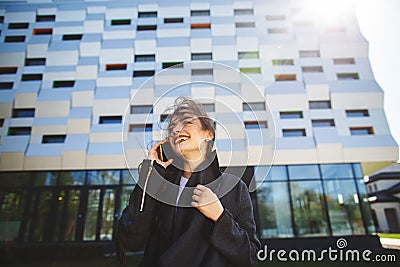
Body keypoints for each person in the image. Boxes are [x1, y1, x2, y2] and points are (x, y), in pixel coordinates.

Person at [118, 97, 260, 267]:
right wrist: (150, 176)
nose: (176, 130)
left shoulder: (233, 188)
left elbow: (251, 256)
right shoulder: (160, 186)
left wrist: (220, 217)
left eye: (186, 122)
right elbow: (131, 239)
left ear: (208, 134)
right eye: (171, 128)